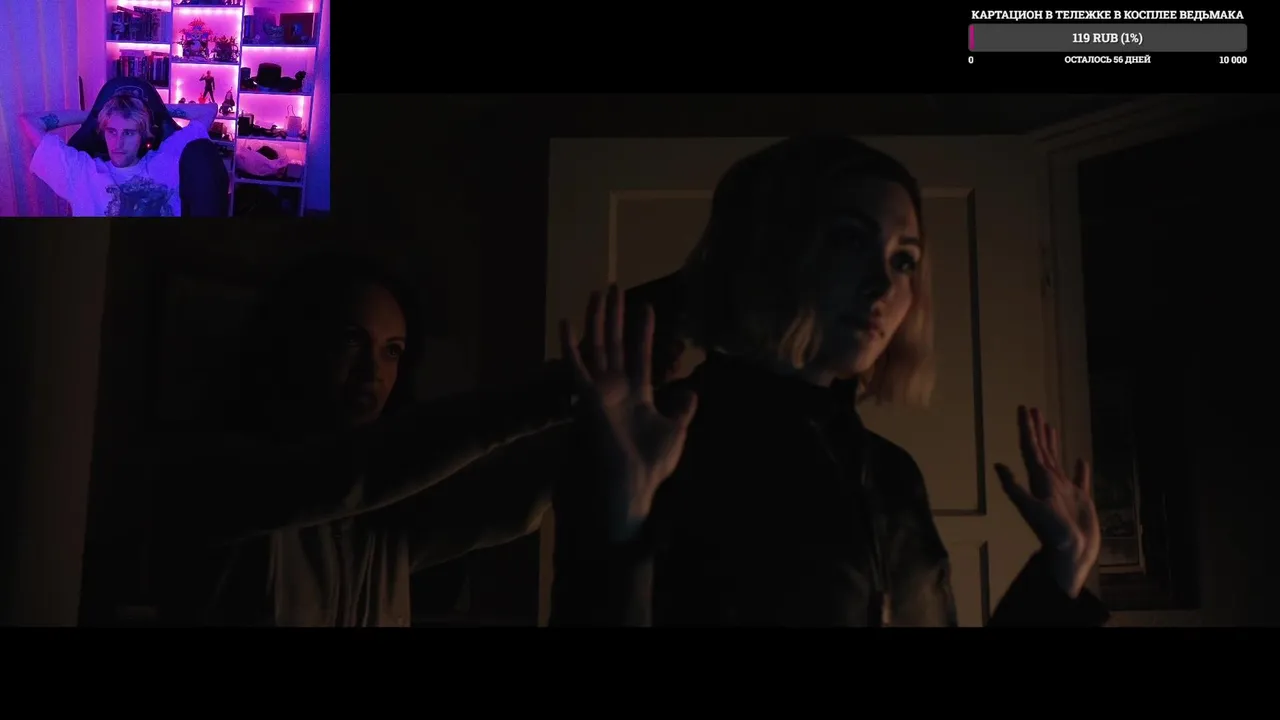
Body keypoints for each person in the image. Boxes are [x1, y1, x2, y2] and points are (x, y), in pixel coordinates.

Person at [550, 136, 1109, 626]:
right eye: (848, 239)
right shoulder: (664, 446)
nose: (882, 285)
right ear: (772, 248)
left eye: (904, 261)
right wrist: (620, 525)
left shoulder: (894, 475)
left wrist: (1061, 569)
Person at [152, 254, 572, 626]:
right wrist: (541, 397)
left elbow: (505, 505)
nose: (372, 370)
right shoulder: (217, 468)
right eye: (353, 339)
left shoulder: (387, 510)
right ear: (297, 344)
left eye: (392, 351)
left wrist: (594, 411)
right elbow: (344, 476)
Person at [18, 78, 219, 216]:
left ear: (143, 135)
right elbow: (29, 121)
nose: (118, 143)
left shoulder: (167, 158)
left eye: (129, 133)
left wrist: (149, 108)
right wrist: (94, 114)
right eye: (112, 131)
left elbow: (209, 110)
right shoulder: (82, 171)